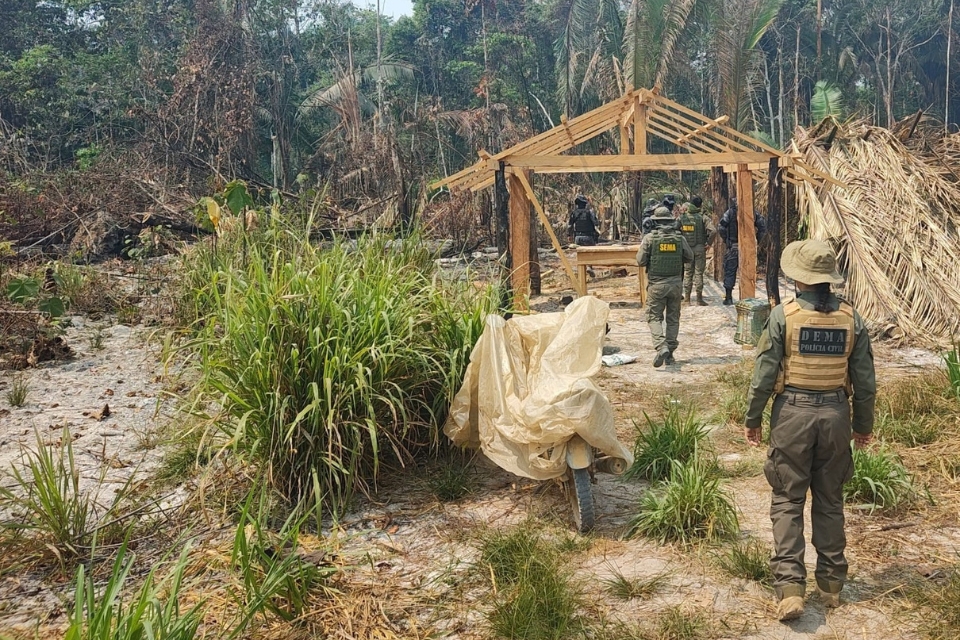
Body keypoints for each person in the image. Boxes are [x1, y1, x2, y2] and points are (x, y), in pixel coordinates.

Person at [744, 239, 876, 622]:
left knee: (787, 499)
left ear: (798, 279)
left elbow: (764, 375)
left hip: (792, 417)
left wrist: (752, 419)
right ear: (828, 280)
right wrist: (862, 427)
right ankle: (832, 587)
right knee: (830, 500)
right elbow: (865, 382)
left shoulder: (783, 316)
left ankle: (790, 589)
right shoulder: (852, 318)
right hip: (837, 415)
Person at [636, 207, 694, 367]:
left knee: (654, 317)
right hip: (675, 285)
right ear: (670, 221)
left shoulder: (649, 239)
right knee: (673, 319)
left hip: (656, 285)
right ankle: (670, 354)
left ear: (656, 222)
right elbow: (690, 257)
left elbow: (640, 261)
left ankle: (661, 347)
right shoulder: (679, 238)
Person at [718, 200, 766, 305]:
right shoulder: (753, 213)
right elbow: (762, 227)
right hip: (748, 247)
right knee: (748, 272)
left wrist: (726, 240)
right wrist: (756, 241)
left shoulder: (729, 213)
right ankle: (747, 298)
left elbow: (721, 227)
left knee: (730, 271)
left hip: (733, 247)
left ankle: (729, 297)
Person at [678, 195, 716, 306]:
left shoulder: (682, 217)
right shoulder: (703, 217)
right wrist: (708, 243)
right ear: (700, 205)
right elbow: (713, 231)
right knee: (699, 274)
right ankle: (699, 299)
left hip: (687, 249)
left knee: (688, 273)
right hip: (700, 248)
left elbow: (674, 228)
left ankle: (687, 299)